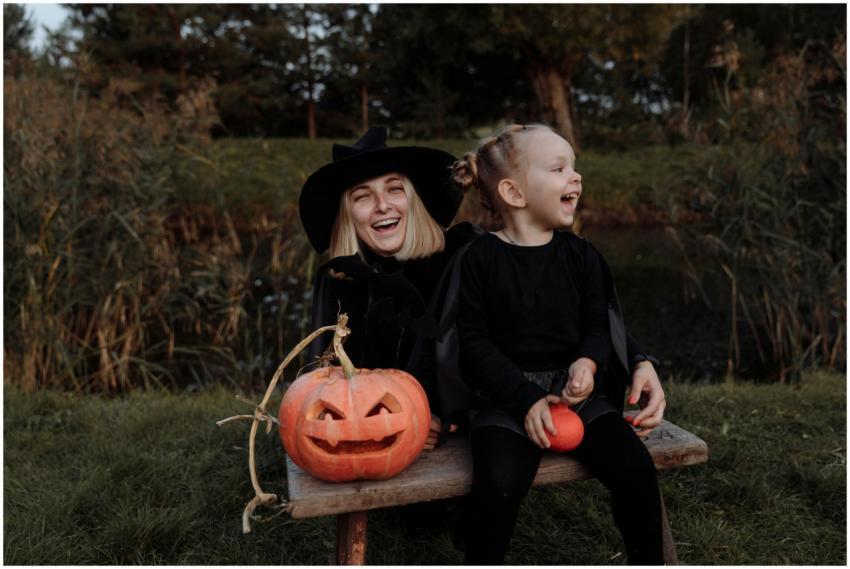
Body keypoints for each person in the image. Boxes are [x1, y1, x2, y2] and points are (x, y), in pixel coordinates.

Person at [449, 123, 667, 564]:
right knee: (500, 479)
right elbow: (473, 342)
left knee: (635, 470)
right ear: (514, 192)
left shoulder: (581, 255)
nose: (576, 177)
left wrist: (587, 362)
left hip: (577, 397)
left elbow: (598, 323)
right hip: (507, 398)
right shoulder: (479, 259)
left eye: (575, 167)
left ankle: (648, 559)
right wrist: (525, 398)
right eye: (559, 168)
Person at [299, 125, 477, 451]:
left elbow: (484, 355)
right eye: (363, 196)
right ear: (348, 215)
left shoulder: (459, 259)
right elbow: (318, 380)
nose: (382, 205)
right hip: (367, 436)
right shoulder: (338, 280)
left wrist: (445, 418)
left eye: (394, 190)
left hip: (454, 432)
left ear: (413, 200)